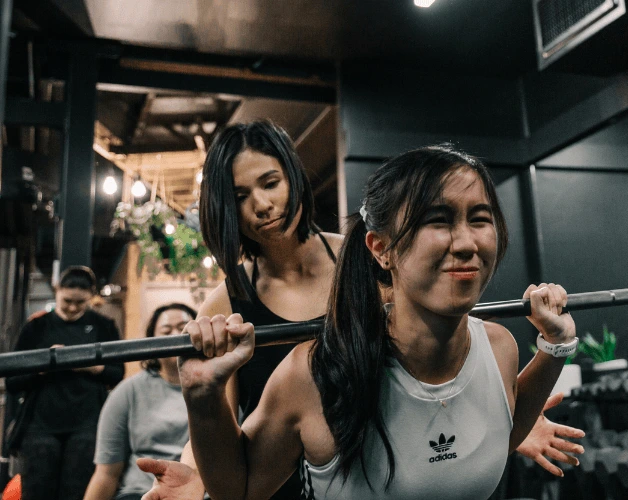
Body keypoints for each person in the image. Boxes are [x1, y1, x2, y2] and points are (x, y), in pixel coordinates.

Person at [137, 124, 582, 499]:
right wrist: (200, 476)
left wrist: (496, 412)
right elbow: (222, 418)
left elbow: (434, 368)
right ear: (382, 250)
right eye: (240, 195)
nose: (262, 204)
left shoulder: (359, 266)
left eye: (270, 183)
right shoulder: (240, 315)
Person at [6, 266, 124, 500]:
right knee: (37, 490)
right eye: (67, 301)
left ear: (91, 297)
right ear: (57, 291)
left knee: (77, 489)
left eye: (80, 303)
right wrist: (44, 364)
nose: (72, 307)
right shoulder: (36, 327)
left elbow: (117, 373)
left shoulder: (103, 325)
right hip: (40, 423)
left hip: (87, 422)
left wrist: (86, 364)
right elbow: (13, 380)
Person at [83, 303, 196, 500]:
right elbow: (106, 474)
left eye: (183, 329)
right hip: (140, 493)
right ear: (153, 342)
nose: (176, 335)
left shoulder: (220, 389)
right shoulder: (128, 391)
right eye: (166, 331)